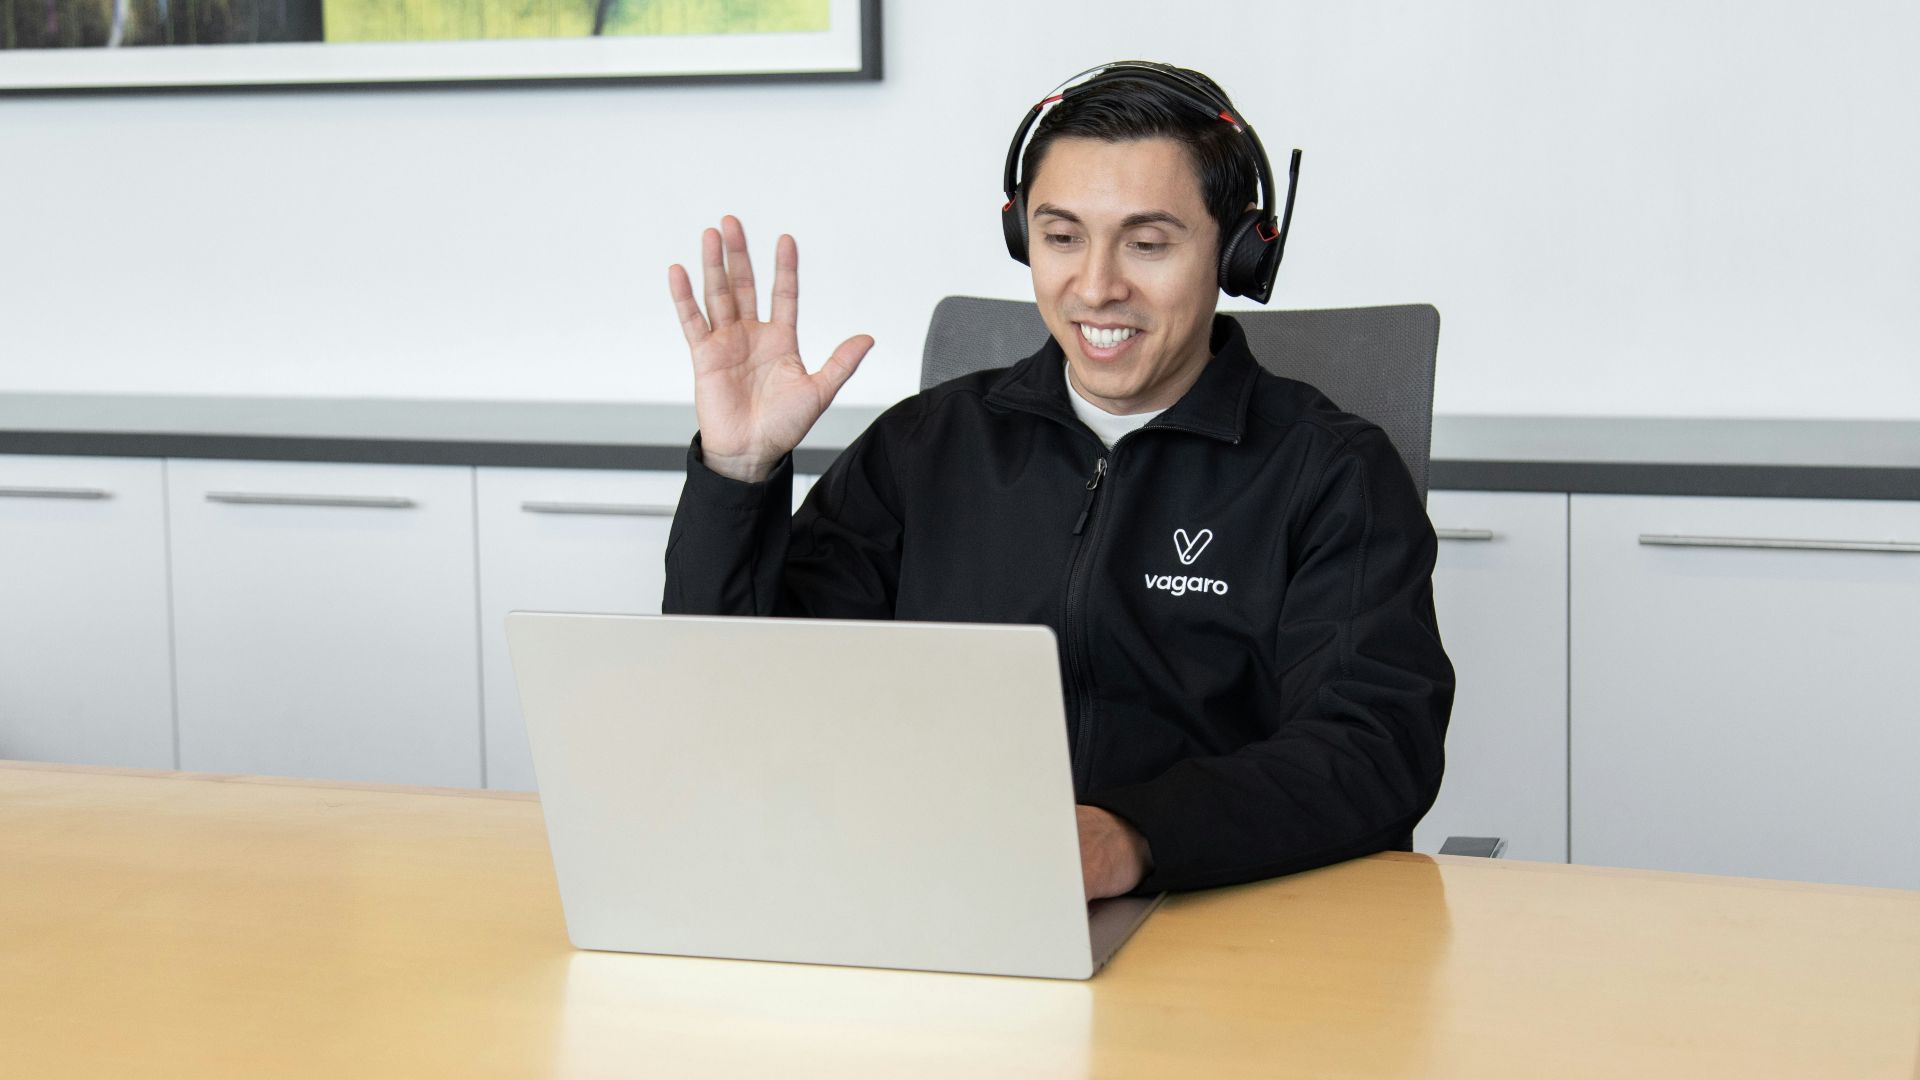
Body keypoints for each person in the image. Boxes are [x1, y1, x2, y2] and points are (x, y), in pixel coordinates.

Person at [662, 61, 1453, 901]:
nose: (1097, 285)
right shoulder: (925, 447)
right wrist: (737, 477)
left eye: (1148, 243)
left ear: (1236, 251)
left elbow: (1374, 749)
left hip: (1224, 921)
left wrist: (1130, 838)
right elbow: (742, 703)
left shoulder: (1329, 471)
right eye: (1062, 237)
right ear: (1023, 240)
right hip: (943, 898)